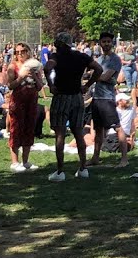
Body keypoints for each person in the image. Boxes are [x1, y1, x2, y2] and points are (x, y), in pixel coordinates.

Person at [45, 32, 104, 181]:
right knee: (78, 132)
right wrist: (88, 85)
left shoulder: (56, 56)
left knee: (60, 134)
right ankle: (83, 168)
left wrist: (51, 85)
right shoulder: (81, 56)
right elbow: (98, 69)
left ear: (59, 44)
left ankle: (60, 171)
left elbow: (47, 68)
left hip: (61, 97)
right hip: (77, 97)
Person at [89, 32, 129, 168]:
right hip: (96, 98)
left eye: (108, 41)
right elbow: (92, 74)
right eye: (104, 41)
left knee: (117, 128)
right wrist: (94, 76)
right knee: (98, 129)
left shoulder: (115, 59)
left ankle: (124, 159)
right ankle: (95, 157)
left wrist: (93, 76)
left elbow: (106, 77)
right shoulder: (99, 60)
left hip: (107, 98)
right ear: (99, 43)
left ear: (112, 43)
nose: (106, 44)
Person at [3, 42, 44, 173]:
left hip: (31, 101)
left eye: (23, 51)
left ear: (28, 51)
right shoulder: (12, 66)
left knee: (29, 129)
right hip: (18, 101)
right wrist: (21, 77)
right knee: (16, 129)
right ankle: (14, 162)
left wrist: (34, 77)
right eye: (17, 52)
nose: (20, 54)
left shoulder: (35, 66)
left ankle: (25, 161)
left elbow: (40, 86)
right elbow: (10, 86)